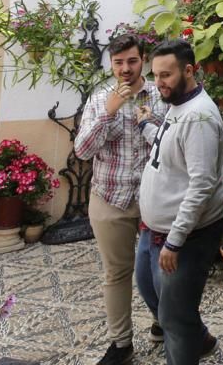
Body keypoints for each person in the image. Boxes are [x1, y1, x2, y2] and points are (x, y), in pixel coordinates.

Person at [74, 34, 168, 365]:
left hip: (154, 199)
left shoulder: (161, 95)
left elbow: (173, 144)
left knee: (160, 269)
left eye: (131, 61)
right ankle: (121, 343)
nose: (125, 69)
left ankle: (162, 322)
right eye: (118, 62)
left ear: (142, 60)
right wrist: (108, 114)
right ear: (111, 64)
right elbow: (83, 151)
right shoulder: (100, 99)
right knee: (116, 272)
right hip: (110, 197)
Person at [139, 39, 223, 365]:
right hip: (154, 230)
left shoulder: (199, 117)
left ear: (189, 70)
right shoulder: (179, 105)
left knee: (174, 320)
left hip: (184, 238)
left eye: (166, 75)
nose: (158, 82)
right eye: (155, 75)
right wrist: (147, 125)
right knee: (150, 290)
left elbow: (202, 184)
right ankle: (199, 336)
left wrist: (175, 242)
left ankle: (189, 344)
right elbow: (169, 149)